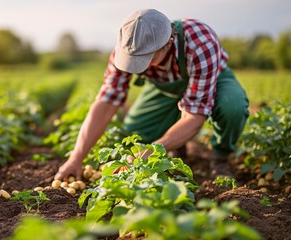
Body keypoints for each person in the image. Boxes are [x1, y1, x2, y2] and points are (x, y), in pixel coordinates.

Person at [54, 9, 249, 181]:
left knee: (232, 106)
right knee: (133, 138)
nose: (137, 65)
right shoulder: (125, 49)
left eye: (146, 58)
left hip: (210, 79)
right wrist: (76, 158)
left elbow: (194, 115)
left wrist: (155, 149)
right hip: (163, 87)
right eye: (132, 59)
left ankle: (220, 157)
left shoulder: (201, 42)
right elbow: (106, 101)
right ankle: (176, 143)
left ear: (169, 43)